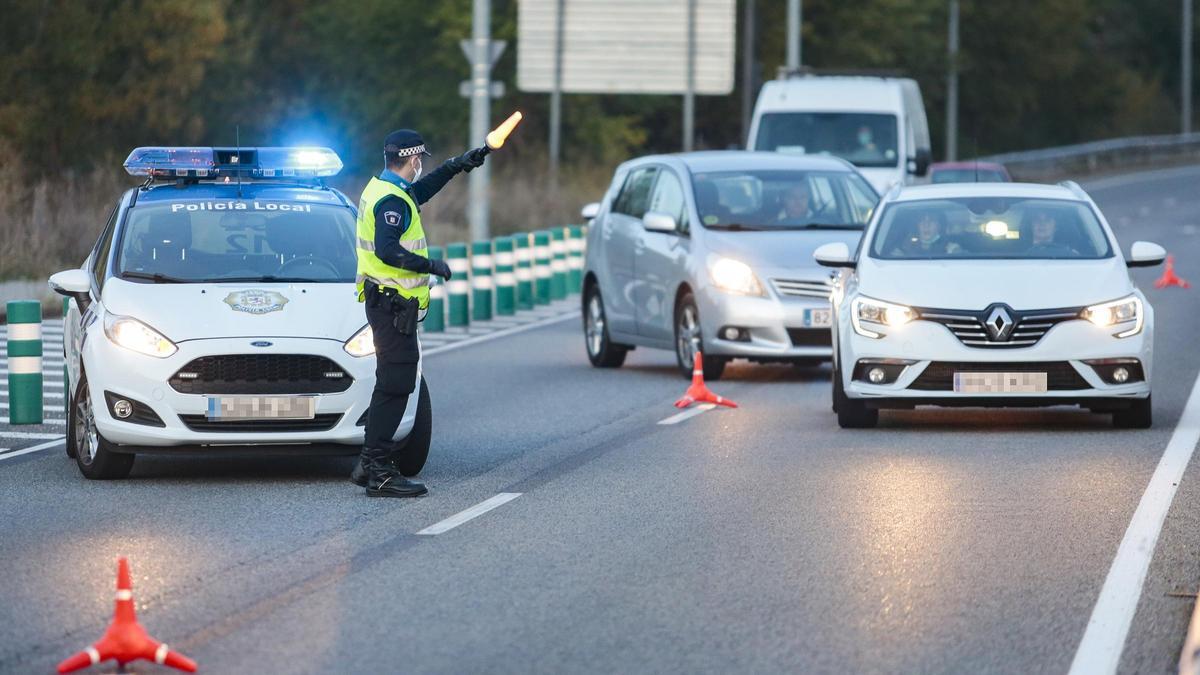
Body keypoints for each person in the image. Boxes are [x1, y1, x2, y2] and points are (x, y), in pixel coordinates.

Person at [350, 129, 488, 498]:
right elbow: (388, 250)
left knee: (390, 384)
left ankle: (369, 462)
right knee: (396, 385)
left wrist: (456, 166)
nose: (420, 166)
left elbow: (419, 192)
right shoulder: (390, 202)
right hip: (392, 305)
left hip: (386, 303)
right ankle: (378, 470)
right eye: (420, 160)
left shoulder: (383, 189)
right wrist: (430, 265)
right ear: (413, 159)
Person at [893, 210, 960, 256]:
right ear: (917, 225)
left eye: (932, 220)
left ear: (939, 226)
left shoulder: (950, 248)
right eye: (922, 220)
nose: (926, 225)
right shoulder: (905, 246)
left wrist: (955, 253)